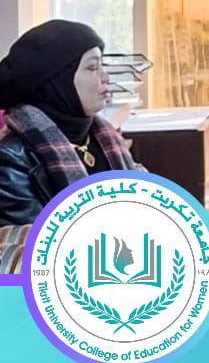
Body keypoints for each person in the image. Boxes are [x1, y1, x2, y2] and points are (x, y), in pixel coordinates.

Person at [0, 19, 139, 228]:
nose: (105, 77)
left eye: (102, 66)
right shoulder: (12, 159)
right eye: (92, 67)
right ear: (57, 81)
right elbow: (36, 241)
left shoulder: (108, 139)